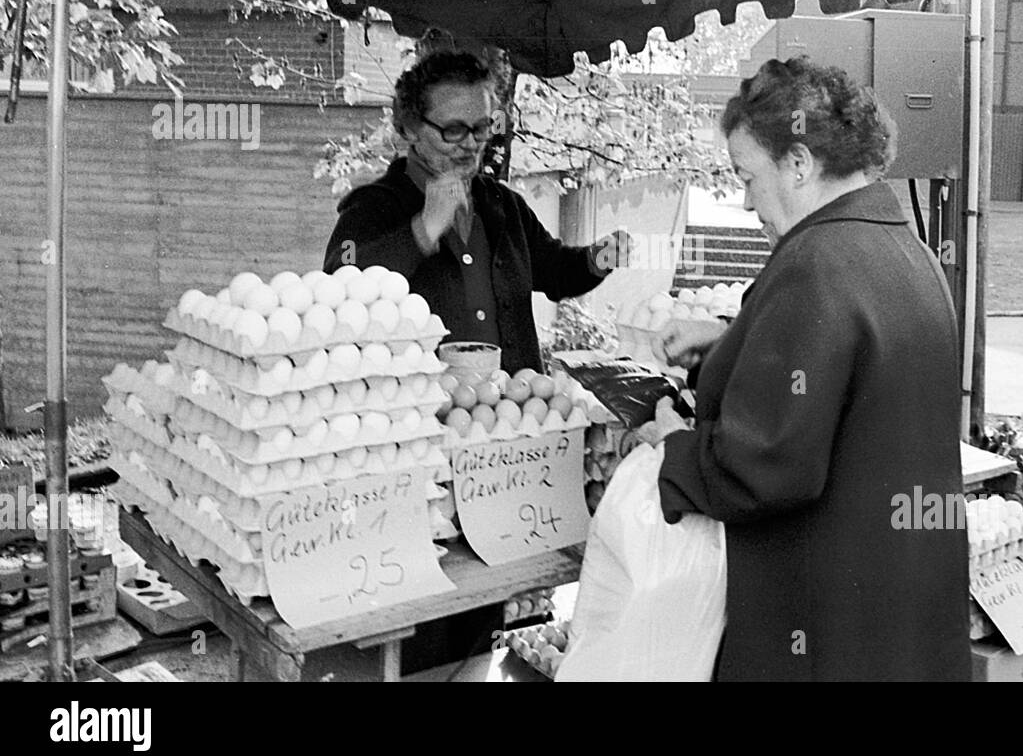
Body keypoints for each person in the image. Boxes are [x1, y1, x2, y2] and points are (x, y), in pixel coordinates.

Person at [641, 57, 970, 681]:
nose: (744, 201)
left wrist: (674, 449)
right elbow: (854, 370)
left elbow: (766, 467)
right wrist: (734, 340)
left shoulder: (810, 265)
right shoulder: (910, 250)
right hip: (905, 609)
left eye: (747, 176)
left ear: (798, 163)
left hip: (824, 631)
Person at [323, 47, 629, 374]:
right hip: (422, 415)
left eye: (481, 128)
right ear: (410, 127)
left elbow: (554, 270)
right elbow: (338, 279)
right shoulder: (373, 204)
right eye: (453, 130)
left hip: (513, 408)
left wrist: (599, 258)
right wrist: (422, 230)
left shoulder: (503, 205)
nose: (471, 144)